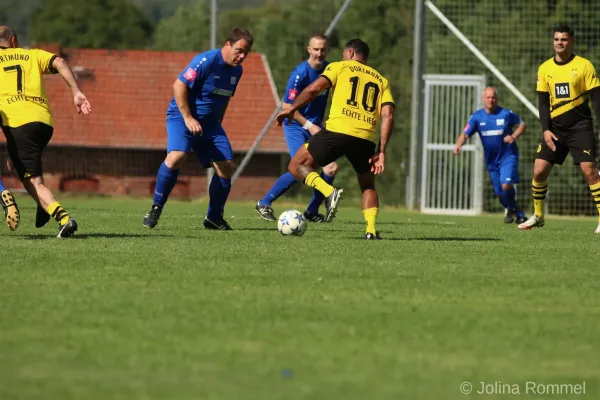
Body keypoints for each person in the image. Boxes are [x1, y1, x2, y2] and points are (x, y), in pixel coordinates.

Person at [275, 38, 395, 240]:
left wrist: (291, 109)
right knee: (367, 184)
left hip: (337, 132)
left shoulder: (339, 67)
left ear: (349, 53)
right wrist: (381, 152)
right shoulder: (381, 80)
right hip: (365, 139)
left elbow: (314, 89)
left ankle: (328, 191)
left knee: (296, 165)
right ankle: (371, 231)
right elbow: (388, 115)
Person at [143, 28, 253, 231]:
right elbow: (178, 85)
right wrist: (188, 117)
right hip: (181, 117)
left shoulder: (237, 71)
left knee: (226, 165)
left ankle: (213, 218)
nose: (242, 56)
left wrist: (218, 122)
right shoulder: (206, 61)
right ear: (227, 45)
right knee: (177, 156)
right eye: (239, 50)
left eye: (246, 53)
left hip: (210, 125)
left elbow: (225, 98)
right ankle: (156, 207)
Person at [0, 26, 91, 238]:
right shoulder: (31, 54)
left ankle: (64, 219)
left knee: (33, 181)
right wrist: (76, 92)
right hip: (43, 123)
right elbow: (60, 62)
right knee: (14, 163)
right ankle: (42, 205)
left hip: (18, 123)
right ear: (13, 40)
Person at [518, 24, 600, 232]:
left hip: (580, 127)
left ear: (571, 41)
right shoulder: (545, 68)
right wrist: (546, 129)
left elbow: (596, 98)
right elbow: (543, 102)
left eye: (563, 39)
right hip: (554, 129)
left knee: (590, 172)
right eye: (556, 39)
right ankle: (538, 215)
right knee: (539, 170)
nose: (559, 43)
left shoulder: (584, 66)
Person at [255, 34, 338, 222]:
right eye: (315, 49)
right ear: (308, 50)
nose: (319, 53)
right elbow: (287, 107)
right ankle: (264, 203)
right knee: (300, 167)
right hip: (296, 126)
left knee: (331, 168)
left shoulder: (330, 70)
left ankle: (311, 211)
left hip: (315, 127)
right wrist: (310, 125)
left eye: (323, 49)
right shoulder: (300, 74)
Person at [453, 87, 527, 224]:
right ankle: (514, 210)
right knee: (499, 194)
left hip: (507, 156)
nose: (491, 100)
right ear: (483, 99)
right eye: (488, 97)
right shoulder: (476, 117)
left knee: (506, 184)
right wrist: (458, 145)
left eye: (493, 97)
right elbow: (465, 134)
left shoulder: (506, 114)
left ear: (496, 99)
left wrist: (514, 136)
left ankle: (517, 212)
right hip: (491, 161)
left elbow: (522, 124)